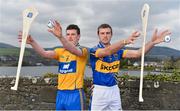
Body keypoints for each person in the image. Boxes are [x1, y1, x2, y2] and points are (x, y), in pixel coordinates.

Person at [89, 23, 171, 110]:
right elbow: (107, 51)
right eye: (102, 33)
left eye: (108, 33)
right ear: (98, 35)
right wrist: (125, 41)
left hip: (114, 89)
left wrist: (152, 42)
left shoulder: (119, 51)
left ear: (111, 34)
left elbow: (137, 53)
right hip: (99, 91)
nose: (105, 36)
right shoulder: (94, 50)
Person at [18, 21, 88, 110]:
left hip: (75, 94)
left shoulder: (83, 50)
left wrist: (60, 36)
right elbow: (44, 53)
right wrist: (32, 42)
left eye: (73, 34)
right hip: (61, 93)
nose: (70, 37)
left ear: (78, 37)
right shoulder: (60, 51)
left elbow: (73, 50)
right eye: (68, 34)